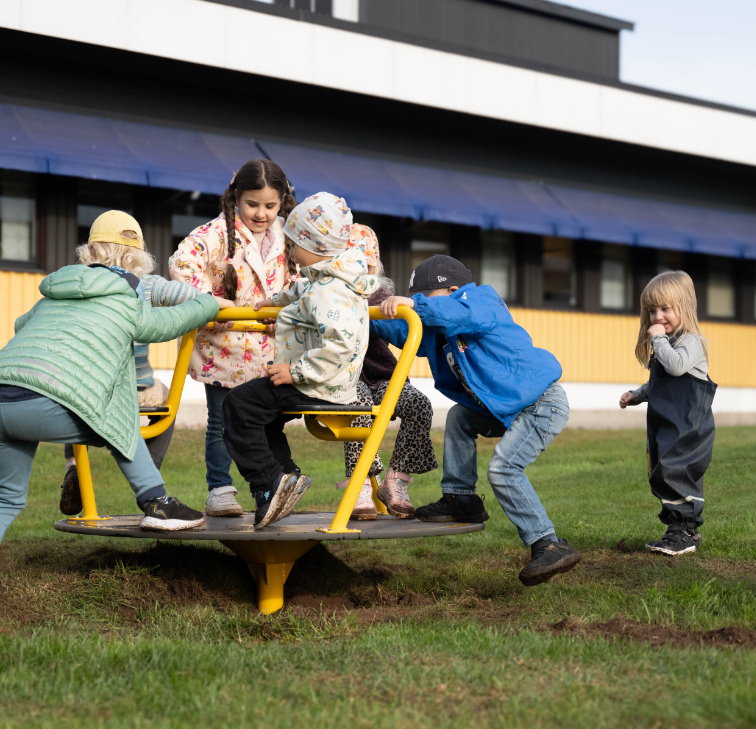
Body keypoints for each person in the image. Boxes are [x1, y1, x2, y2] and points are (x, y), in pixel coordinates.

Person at [0, 242, 230, 612]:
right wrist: (208, 303)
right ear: (131, 277)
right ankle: (157, 503)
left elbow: (21, 325)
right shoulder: (124, 297)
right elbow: (165, 325)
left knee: (2, 497)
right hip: (45, 399)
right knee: (117, 412)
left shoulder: (52, 296)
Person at [375, 256, 580, 586]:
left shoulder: (480, 300)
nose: (419, 307)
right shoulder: (434, 325)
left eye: (427, 298)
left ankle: (548, 543)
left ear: (454, 289)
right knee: (459, 417)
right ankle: (461, 498)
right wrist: (360, 316)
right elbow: (399, 326)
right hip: (504, 405)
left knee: (504, 469)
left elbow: (457, 313)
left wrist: (413, 303)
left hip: (540, 403)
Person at [222, 192, 376, 528]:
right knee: (262, 414)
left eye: (293, 244)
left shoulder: (329, 291)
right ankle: (284, 479)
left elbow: (339, 343)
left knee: (238, 405)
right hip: (324, 379)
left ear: (317, 246)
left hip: (319, 381)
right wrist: (274, 301)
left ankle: (269, 484)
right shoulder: (331, 277)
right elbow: (302, 290)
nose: (290, 252)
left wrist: (296, 371)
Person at [169, 159, 296, 518]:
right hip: (223, 346)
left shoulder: (288, 237)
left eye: (270, 206)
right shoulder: (214, 234)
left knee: (264, 420)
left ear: (282, 202)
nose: (261, 214)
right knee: (221, 418)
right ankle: (220, 489)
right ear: (235, 197)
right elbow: (181, 267)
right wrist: (214, 302)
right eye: (252, 204)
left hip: (268, 346)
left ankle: (274, 481)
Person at [58, 210, 202, 515]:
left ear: (92, 249)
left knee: (73, 388)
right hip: (133, 389)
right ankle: (149, 470)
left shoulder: (78, 283)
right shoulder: (145, 285)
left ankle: (73, 466)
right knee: (167, 399)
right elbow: (187, 295)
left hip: (86, 387)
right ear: (139, 253)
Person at [339, 223, 437, 519]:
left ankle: (396, 480)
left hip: (381, 375)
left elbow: (405, 332)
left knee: (419, 404)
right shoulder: (327, 295)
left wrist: (399, 315)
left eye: (366, 265)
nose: (359, 273)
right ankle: (360, 485)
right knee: (357, 406)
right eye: (350, 264)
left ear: (375, 268)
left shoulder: (378, 297)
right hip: (344, 378)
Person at [618, 271, 716, 557]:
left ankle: (685, 530)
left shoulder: (691, 342)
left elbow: (675, 367)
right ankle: (675, 529)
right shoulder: (668, 343)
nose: (658, 316)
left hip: (688, 426)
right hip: (666, 423)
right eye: (652, 311)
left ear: (684, 307)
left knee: (679, 471)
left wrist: (659, 341)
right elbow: (661, 380)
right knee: (661, 472)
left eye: (665, 308)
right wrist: (639, 394)